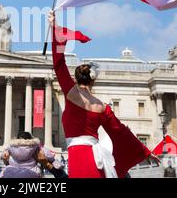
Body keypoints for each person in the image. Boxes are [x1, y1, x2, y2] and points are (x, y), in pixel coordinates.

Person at [48, 11, 159, 178]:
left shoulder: (71, 93)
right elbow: (121, 132)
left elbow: (59, 64)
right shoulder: (102, 107)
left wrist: (55, 31)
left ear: (77, 77)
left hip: (78, 158)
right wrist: (144, 151)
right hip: (95, 158)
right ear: (94, 81)